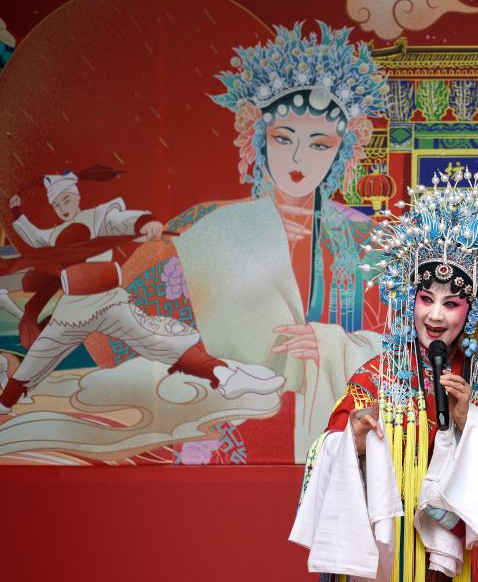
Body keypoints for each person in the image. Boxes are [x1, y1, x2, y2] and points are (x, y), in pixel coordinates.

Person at [108, 22, 389, 459]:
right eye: (283, 139)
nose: (297, 158)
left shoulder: (364, 237)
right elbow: (125, 318)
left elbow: (408, 345)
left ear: (342, 148)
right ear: (259, 137)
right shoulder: (210, 225)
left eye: (319, 144)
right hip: (227, 422)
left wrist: (336, 345)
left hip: (336, 423)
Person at [290, 171, 478, 582]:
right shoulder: (376, 375)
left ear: (472, 310)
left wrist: (468, 424)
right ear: (410, 300)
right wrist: (354, 441)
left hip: (440, 559)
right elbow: (323, 453)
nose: (435, 316)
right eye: (426, 299)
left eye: (451, 303)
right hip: (381, 555)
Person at [0, 170, 284, 414]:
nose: (62, 207)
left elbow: (124, 220)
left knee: (159, 340)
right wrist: (17, 212)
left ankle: (226, 378)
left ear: (76, 196)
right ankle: (4, 403)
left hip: (108, 303)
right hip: (73, 310)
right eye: (56, 204)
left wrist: (144, 223)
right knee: (38, 357)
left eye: (66, 199)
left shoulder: (98, 217)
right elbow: (34, 237)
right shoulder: (54, 235)